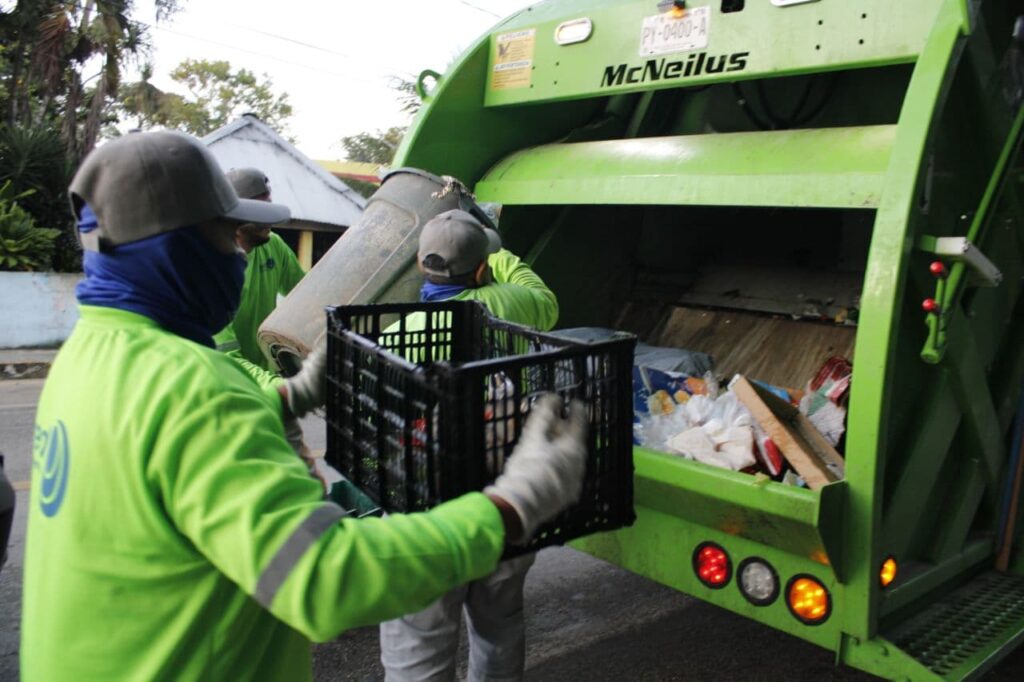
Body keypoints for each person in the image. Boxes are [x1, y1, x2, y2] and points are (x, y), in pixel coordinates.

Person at [20, 131, 587, 681]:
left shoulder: (85, 357)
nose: (240, 260)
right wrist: (513, 505)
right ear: (178, 251)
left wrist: (291, 394)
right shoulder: (194, 390)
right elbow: (325, 580)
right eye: (231, 239)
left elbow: (169, 456)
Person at [379, 208, 560, 682]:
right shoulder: (511, 303)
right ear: (481, 269)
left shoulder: (399, 335)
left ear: (422, 265)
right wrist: (502, 257)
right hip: (502, 495)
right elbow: (545, 296)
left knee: (419, 637)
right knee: (499, 623)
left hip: (426, 506)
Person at [213, 167, 305, 381]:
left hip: (266, 378)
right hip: (227, 384)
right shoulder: (210, 269)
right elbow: (225, 359)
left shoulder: (274, 245)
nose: (269, 219)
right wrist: (283, 390)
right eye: (260, 211)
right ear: (234, 218)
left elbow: (305, 297)